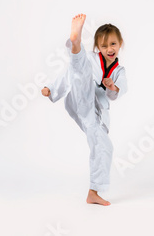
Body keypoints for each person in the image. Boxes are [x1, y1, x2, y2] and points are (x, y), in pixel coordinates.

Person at [41, 14, 128, 206]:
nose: (109, 49)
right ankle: (76, 44)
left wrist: (113, 86)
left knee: (104, 146)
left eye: (113, 44)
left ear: (120, 43)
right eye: (104, 46)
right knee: (81, 71)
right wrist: (53, 89)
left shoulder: (119, 71)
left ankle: (93, 192)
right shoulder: (91, 58)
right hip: (81, 98)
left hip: (95, 113)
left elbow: (120, 89)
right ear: (98, 47)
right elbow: (70, 73)